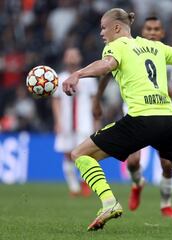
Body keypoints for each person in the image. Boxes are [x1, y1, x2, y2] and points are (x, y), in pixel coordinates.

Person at [62, 8, 172, 231]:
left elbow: (107, 65)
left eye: (104, 27)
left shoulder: (116, 46)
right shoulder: (156, 46)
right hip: (169, 119)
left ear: (117, 27)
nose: (101, 33)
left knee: (79, 154)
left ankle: (109, 203)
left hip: (142, 119)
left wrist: (78, 74)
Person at [93, 16, 172, 218]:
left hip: (161, 113)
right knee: (133, 162)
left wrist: (163, 90)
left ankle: (165, 204)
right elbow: (105, 76)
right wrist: (97, 101)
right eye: (149, 29)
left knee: (167, 164)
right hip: (134, 112)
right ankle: (138, 183)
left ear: (162, 33)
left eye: (157, 29)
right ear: (142, 32)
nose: (153, 32)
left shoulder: (169, 57)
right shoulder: (129, 49)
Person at [52, 47, 98, 197]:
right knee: (67, 154)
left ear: (80, 58)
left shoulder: (89, 78)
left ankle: (84, 183)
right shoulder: (59, 78)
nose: (72, 58)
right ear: (65, 59)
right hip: (66, 121)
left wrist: (96, 120)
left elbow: (94, 100)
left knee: (85, 154)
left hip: (84, 121)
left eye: (74, 55)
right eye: (69, 55)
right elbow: (56, 101)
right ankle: (74, 187)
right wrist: (58, 121)